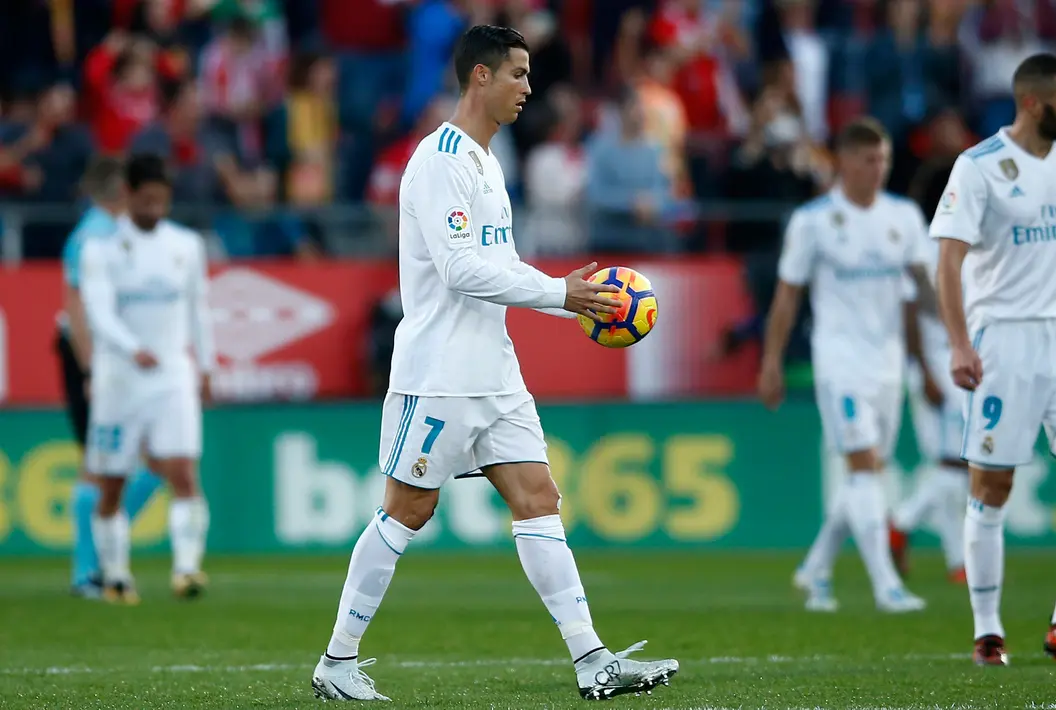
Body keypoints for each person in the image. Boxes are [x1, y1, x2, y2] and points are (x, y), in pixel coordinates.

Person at [309, 26, 679, 703]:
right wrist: (558, 291)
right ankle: (337, 660)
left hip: (495, 372)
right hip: (439, 373)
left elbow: (501, 267)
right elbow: (458, 269)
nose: (528, 88)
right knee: (406, 511)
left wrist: (577, 305)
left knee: (539, 499)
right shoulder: (438, 160)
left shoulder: (486, 160)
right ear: (478, 77)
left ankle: (591, 659)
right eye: (517, 73)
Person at [929, 53, 1056, 666]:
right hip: (1002, 337)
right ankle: (988, 630)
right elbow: (949, 259)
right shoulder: (979, 166)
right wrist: (959, 342)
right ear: (1034, 103)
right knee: (994, 483)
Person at [758, 117, 934, 614]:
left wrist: (958, 338)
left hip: (888, 362)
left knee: (868, 471)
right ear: (844, 162)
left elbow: (923, 291)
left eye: (884, 160)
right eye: (868, 160)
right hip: (839, 361)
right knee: (862, 468)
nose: (878, 169)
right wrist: (771, 361)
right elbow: (787, 298)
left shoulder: (904, 217)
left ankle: (815, 568)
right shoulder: (813, 220)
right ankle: (887, 586)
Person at [79, 154, 215, 604]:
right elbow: (96, 311)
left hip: (172, 373)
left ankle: (187, 570)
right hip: (119, 377)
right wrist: (130, 346)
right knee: (113, 481)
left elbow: (199, 308)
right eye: (148, 199)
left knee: (182, 471)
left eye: (163, 200)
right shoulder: (100, 250)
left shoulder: (186, 246)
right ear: (129, 195)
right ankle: (116, 575)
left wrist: (207, 365)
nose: (156, 208)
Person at [58, 157, 163, 599]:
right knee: (101, 464)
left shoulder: (110, 233)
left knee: (152, 457)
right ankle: (88, 573)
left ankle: (97, 561)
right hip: (97, 358)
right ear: (122, 189)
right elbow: (76, 306)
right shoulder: (93, 237)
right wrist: (88, 367)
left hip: (118, 357)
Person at [887, 233, 969, 584]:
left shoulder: (964, 248)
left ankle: (958, 564)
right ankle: (901, 523)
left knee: (951, 468)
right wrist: (923, 369)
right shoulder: (921, 246)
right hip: (935, 370)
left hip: (949, 365)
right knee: (957, 462)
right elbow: (913, 311)